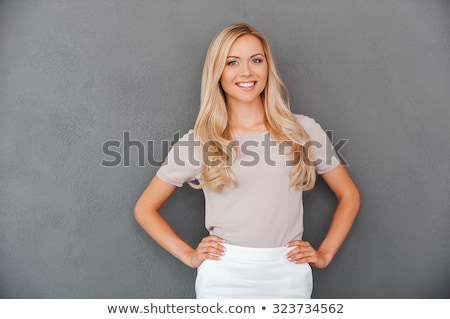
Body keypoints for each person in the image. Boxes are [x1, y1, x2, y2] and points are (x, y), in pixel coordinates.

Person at [134, 23, 360, 299]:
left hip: (288, 272)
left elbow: (348, 194)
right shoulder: (200, 141)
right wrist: (190, 255)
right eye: (232, 62)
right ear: (217, 72)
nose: (246, 72)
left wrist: (324, 253)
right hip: (223, 275)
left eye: (256, 60)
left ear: (267, 67)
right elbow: (144, 208)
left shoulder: (302, 130)